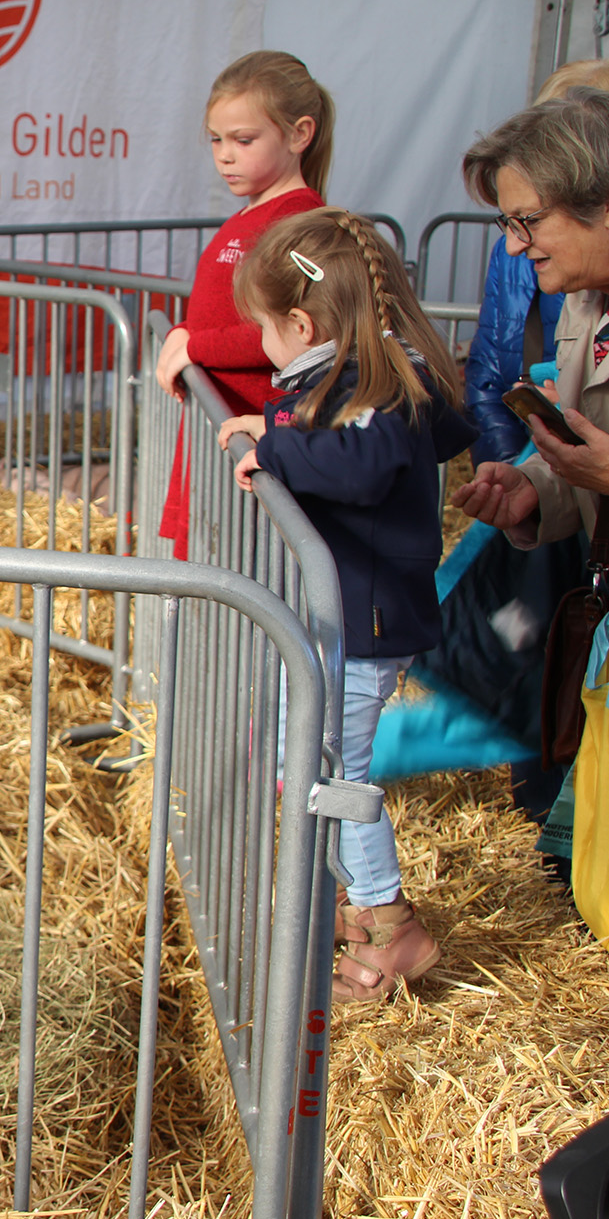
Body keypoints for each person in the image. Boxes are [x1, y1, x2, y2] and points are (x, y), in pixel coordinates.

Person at [217, 208, 477, 1002]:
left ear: (302, 322)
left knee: (334, 771)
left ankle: (388, 924)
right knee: (314, 759)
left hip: (363, 622)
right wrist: (282, 427)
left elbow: (361, 464)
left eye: (264, 329)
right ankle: (352, 897)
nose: (262, 347)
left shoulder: (370, 384)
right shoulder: (371, 374)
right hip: (358, 616)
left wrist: (278, 448)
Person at [455, 87, 609, 891]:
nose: (516, 249)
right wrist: (533, 484)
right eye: (507, 224)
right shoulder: (590, 300)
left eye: (529, 221)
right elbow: (589, 444)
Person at [155, 50, 335, 560]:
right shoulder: (250, 214)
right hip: (224, 433)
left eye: (244, 140)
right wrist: (190, 334)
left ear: (300, 134)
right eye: (216, 139)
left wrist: (195, 344)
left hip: (259, 443)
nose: (225, 155)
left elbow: (300, 331)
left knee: (246, 582)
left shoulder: (302, 221)